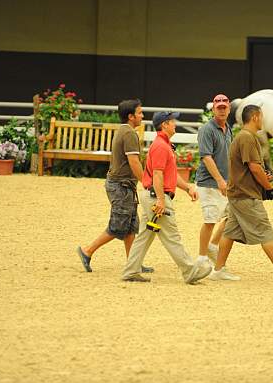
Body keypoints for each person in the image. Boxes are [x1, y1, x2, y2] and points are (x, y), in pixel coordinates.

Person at [209, 104, 273, 284]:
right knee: (264, 229)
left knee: (230, 232)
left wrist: (262, 177)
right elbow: (254, 167)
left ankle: (219, 269)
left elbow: (251, 167)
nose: (263, 120)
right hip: (245, 195)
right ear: (255, 117)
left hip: (238, 194)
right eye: (262, 117)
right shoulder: (247, 138)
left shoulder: (243, 137)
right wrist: (269, 187)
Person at [121, 111, 212, 284]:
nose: (175, 124)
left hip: (152, 196)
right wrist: (161, 200)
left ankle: (130, 271)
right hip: (157, 197)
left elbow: (169, 174)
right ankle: (190, 271)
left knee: (144, 236)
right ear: (165, 125)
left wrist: (186, 187)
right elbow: (157, 175)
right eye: (172, 121)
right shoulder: (161, 146)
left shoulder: (162, 144)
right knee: (172, 236)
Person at [75, 99, 154, 273]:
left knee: (131, 226)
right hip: (121, 186)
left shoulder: (125, 131)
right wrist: (147, 183)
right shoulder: (130, 134)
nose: (142, 115)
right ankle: (87, 251)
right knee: (118, 225)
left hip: (123, 185)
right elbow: (134, 162)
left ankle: (133, 263)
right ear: (131, 116)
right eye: (140, 112)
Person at [194, 94, 233, 268]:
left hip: (225, 181)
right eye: (219, 107)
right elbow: (206, 157)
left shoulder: (228, 128)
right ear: (213, 109)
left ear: (229, 108)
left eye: (225, 107)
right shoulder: (206, 129)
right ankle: (202, 257)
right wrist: (219, 180)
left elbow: (229, 155)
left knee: (232, 216)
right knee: (210, 221)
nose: (222, 109)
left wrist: (231, 179)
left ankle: (213, 245)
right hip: (209, 182)